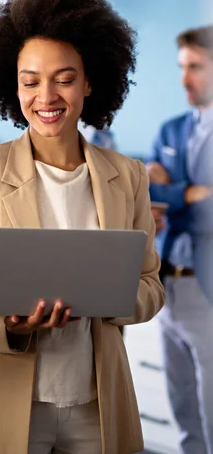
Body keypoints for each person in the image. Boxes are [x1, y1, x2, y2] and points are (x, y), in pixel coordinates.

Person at [0, 0, 165, 454]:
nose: (47, 96)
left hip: (96, 405)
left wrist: (105, 296)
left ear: (89, 82)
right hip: (3, 399)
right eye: (30, 81)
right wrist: (13, 325)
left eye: (64, 79)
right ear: (9, 84)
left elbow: (151, 287)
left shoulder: (128, 176)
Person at [146, 25, 213, 454]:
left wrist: (173, 195)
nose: (184, 79)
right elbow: (146, 192)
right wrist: (190, 193)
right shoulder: (171, 130)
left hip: (207, 290)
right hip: (165, 282)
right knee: (182, 402)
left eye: (195, 67)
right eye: (181, 68)